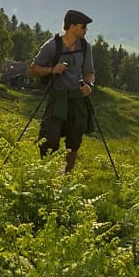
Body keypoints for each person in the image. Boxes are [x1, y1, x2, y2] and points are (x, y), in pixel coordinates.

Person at [28, 10, 95, 173]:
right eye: (83, 26)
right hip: (57, 97)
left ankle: (67, 175)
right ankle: (45, 174)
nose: (86, 30)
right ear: (72, 26)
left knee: (74, 140)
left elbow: (89, 72)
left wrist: (89, 85)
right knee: (48, 139)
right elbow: (33, 69)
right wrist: (52, 69)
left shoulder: (85, 47)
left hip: (76, 98)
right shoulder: (52, 46)